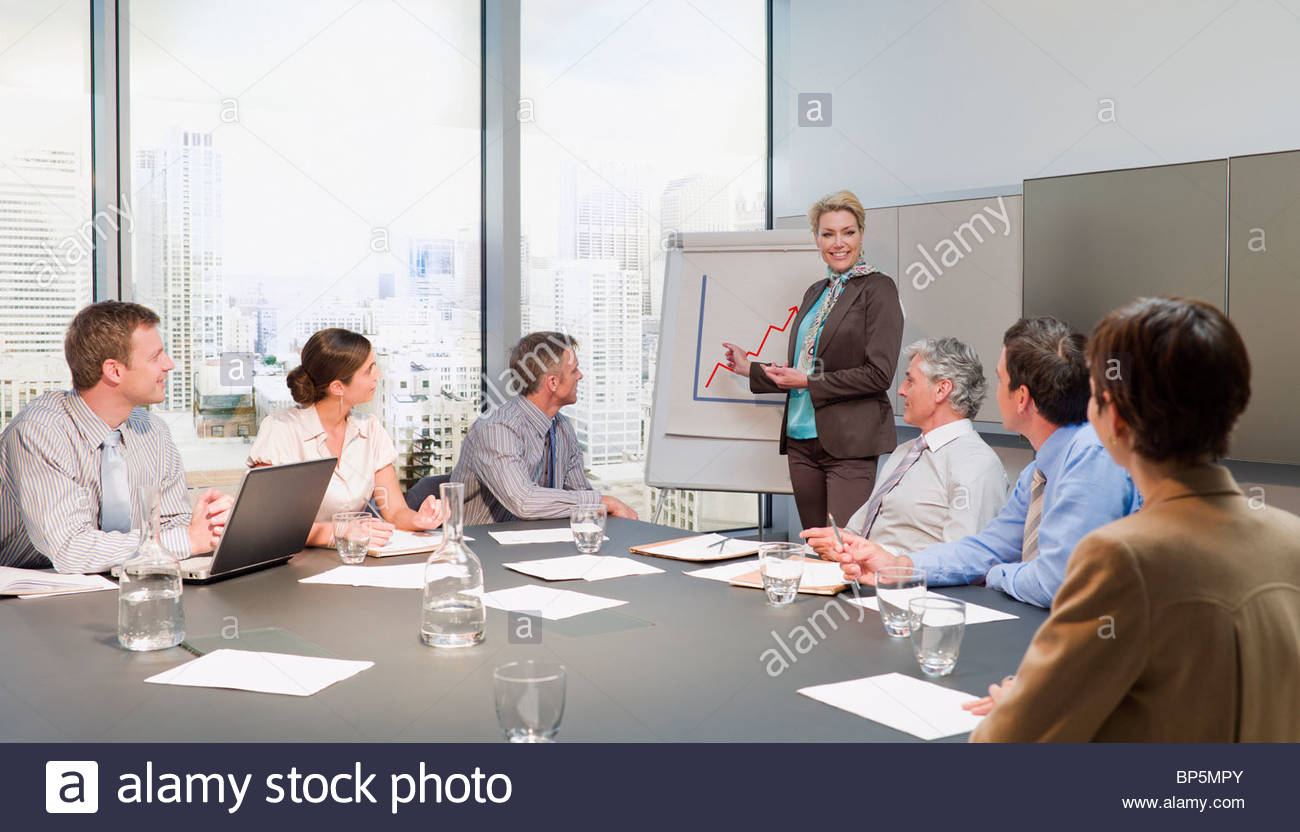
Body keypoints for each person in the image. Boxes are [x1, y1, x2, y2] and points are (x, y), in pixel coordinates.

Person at [969, 298, 1300, 741]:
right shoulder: (1291, 541)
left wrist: (1017, 703)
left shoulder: (1119, 558)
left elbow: (1010, 740)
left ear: (1115, 418)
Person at [828, 317, 1139, 608]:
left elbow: (1057, 583)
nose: (994, 392)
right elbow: (989, 548)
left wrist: (997, 574)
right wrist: (900, 567)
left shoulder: (1093, 456)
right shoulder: (1040, 471)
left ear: (1022, 398)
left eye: (1001, 379)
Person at [0, 301, 232, 573]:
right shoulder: (40, 432)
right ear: (114, 371)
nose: (168, 365)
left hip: (115, 583)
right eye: (156, 356)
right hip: (22, 591)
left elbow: (171, 525)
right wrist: (187, 540)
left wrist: (207, 528)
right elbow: (71, 549)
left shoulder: (153, 430)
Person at [722, 190, 904, 529]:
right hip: (801, 440)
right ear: (816, 238)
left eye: (848, 232)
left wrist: (807, 381)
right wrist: (751, 369)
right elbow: (805, 369)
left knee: (841, 550)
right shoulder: (816, 292)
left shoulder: (878, 289)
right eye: (828, 233)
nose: (838, 243)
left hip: (849, 444)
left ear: (861, 234)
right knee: (814, 547)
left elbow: (879, 375)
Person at [800, 337, 1007, 558]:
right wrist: (838, 542)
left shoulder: (976, 464)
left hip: (911, 587)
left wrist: (877, 555)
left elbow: (963, 560)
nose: (900, 390)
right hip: (863, 576)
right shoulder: (906, 451)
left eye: (910, 381)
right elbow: (857, 531)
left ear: (941, 390)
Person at [247, 328, 444, 548]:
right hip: (292, 564)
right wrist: (337, 532)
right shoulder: (281, 430)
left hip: (351, 558)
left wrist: (417, 520)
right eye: (369, 370)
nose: (378, 375)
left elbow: (395, 511)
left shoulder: (370, 429)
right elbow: (265, 522)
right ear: (338, 387)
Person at [452, 332, 637, 526]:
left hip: (542, 545)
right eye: (574, 370)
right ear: (553, 383)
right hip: (482, 548)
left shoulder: (563, 428)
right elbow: (524, 501)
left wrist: (598, 506)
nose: (580, 376)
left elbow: (579, 494)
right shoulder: (497, 429)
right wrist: (601, 501)